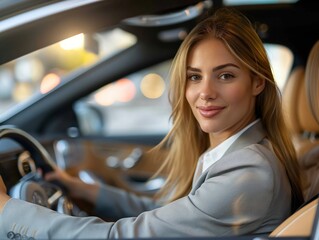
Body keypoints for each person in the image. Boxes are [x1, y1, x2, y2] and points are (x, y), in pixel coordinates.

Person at [0, 8, 304, 239]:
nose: (205, 93)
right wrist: (84, 191)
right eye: (195, 77)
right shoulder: (239, 154)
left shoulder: (248, 172)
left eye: (225, 75)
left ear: (257, 83)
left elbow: (126, 235)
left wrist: (6, 211)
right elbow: (166, 212)